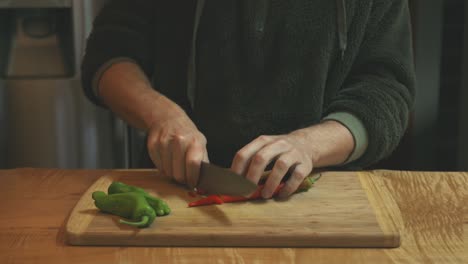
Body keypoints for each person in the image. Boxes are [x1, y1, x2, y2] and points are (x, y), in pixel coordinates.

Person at [81, 0, 415, 199]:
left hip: (323, 198)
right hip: (177, 191)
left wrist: (309, 145)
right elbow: (109, 56)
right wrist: (161, 115)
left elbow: (386, 88)